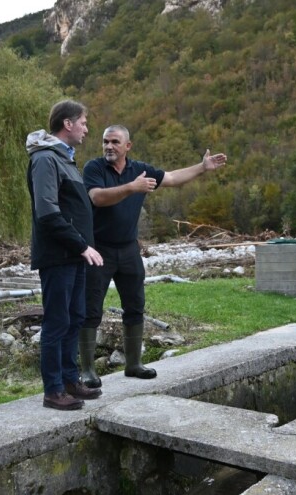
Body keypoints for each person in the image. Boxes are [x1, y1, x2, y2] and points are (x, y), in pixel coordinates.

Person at [78, 125, 227, 387]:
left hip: (128, 249)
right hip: (99, 249)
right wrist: (132, 187)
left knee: (135, 305)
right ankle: (88, 371)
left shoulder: (140, 169)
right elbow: (97, 198)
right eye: (105, 141)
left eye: (115, 142)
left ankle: (133, 364)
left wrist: (202, 167)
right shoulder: (94, 168)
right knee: (91, 308)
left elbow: (171, 178)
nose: (109, 146)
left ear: (128, 146)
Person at [26, 100, 104, 411]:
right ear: (68, 124)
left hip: (73, 255)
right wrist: (82, 245)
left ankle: (70, 381)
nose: (86, 129)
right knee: (57, 322)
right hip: (58, 255)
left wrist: (82, 248)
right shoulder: (45, 159)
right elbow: (47, 213)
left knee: (74, 318)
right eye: (83, 122)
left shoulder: (65, 159)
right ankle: (53, 390)